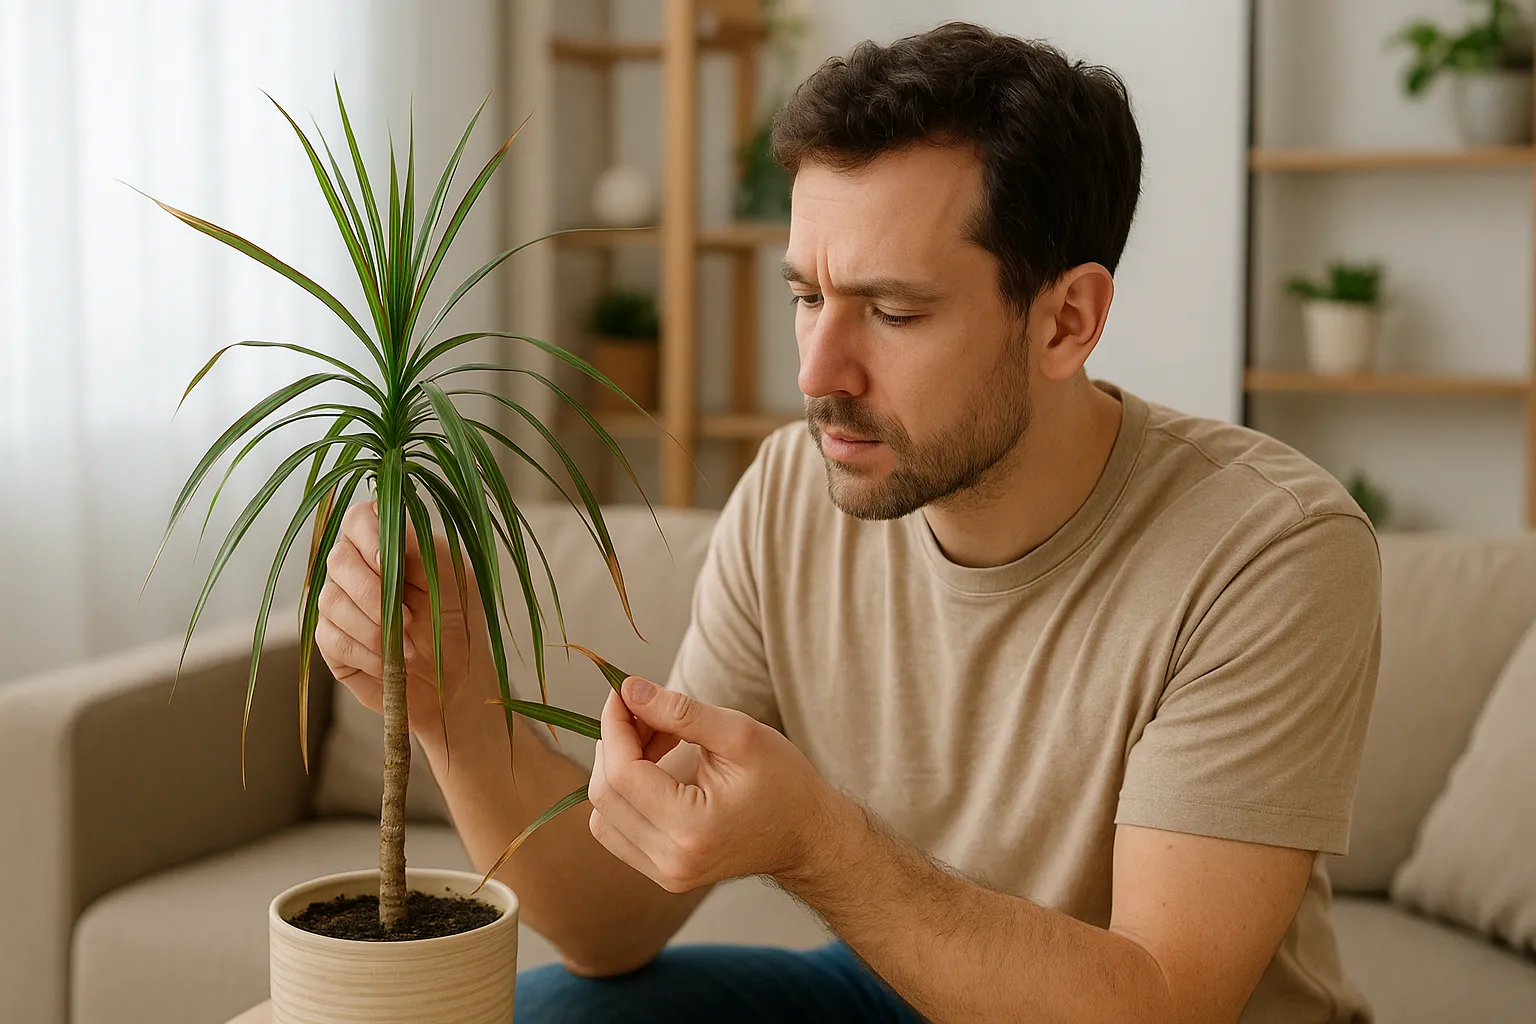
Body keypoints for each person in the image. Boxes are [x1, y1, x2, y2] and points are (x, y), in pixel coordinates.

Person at [318, 21, 1380, 1024]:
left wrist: (815, 841)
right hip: (893, 991)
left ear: (1066, 320)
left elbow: (1162, 1002)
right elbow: (613, 922)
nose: (815, 372)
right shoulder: (793, 492)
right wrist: (451, 692)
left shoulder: (1269, 546)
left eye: (893, 311)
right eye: (806, 297)